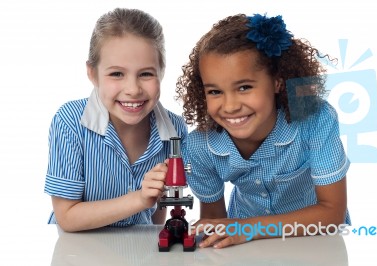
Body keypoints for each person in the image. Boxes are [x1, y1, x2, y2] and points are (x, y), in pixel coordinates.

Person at [176, 13, 351, 248]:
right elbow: (215, 226)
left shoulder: (315, 120)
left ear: (277, 81)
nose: (230, 106)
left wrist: (251, 228)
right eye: (215, 92)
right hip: (246, 247)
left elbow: (332, 214)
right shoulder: (200, 146)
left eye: (244, 87)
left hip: (315, 242)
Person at [44, 8, 187, 232]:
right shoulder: (70, 121)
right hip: (77, 252)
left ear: (162, 72)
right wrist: (139, 199)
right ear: (92, 74)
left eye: (146, 74)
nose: (133, 89)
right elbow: (67, 217)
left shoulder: (175, 129)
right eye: (117, 74)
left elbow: (158, 210)